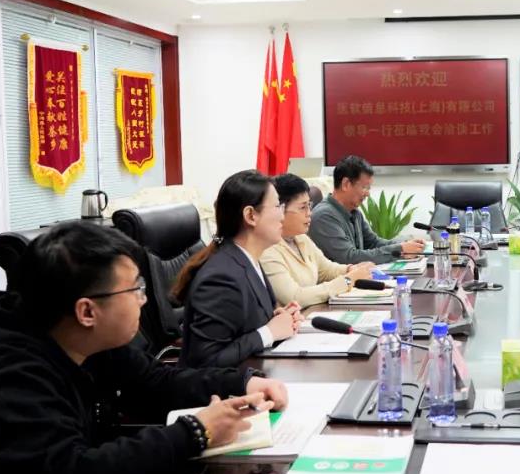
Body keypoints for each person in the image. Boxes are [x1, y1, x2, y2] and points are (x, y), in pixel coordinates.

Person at [0, 221, 289, 474]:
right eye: (136, 289)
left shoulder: (84, 338)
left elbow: (155, 384)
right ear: (87, 312)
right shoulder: (7, 376)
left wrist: (241, 382)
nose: (145, 300)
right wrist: (194, 432)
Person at [175, 169, 302, 368]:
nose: (282, 216)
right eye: (278, 206)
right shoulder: (220, 277)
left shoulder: (247, 259)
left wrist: (278, 319)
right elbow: (206, 361)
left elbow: (242, 326)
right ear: (251, 215)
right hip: (221, 387)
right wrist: (269, 332)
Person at [261, 174, 376, 306]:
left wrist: (351, 269)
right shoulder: (267, 249)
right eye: (302, 207)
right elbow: (295, 297)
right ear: (280, 210)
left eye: (309, 206)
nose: (309, 213)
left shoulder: (301, 237)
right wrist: (348, 280)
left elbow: (325, 270)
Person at [307, 155, 424, 264]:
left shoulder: (354, 212)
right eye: (364, 187)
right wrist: (400, 250)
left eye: (369, 188)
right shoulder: (324, 216)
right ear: (346, 184)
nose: (368, 194)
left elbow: (373, 243)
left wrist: (405, 245)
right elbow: (349, 257)